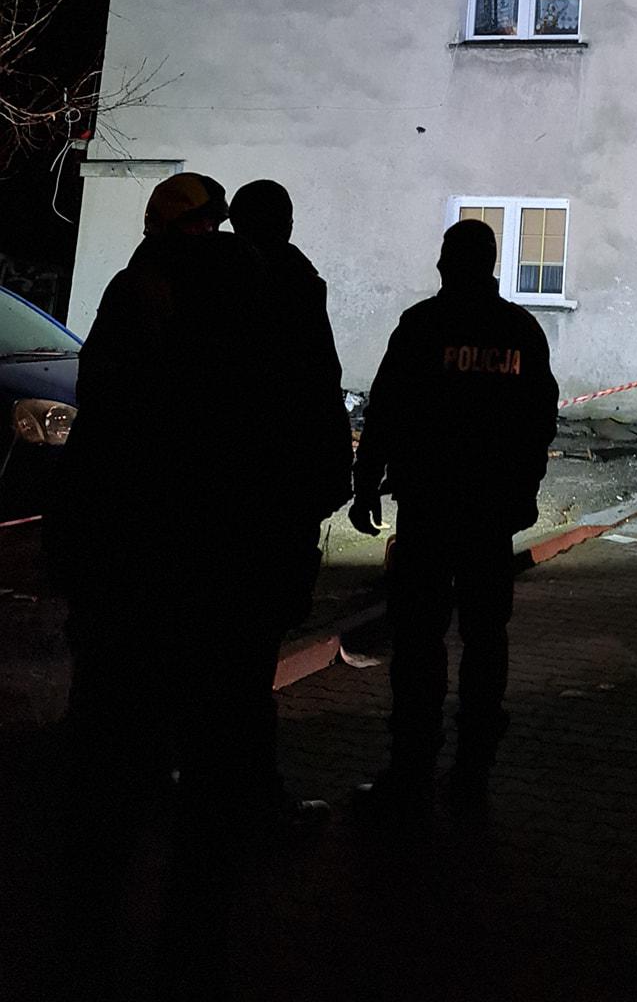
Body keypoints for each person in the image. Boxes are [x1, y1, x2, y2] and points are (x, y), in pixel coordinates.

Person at [52, 170, 290, 996]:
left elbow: (101, 415)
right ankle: (191, 944)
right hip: (213, 565)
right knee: (208, 769)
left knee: (112, 754)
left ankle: (85, 934)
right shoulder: (252, 288)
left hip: (134, 561)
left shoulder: (136, 289)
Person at [349, 217, 558, 810]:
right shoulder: (520, 329)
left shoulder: (423, 325)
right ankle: (472, 771)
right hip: (490, 512)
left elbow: (386, 410)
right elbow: (540, 416)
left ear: (445, 262)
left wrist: (367, 487)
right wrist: (524, 488)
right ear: (491, 264)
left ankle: (412, 767)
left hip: (429, 506)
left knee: (419, 639)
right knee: (486, 638)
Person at [227, 178, 355, 817]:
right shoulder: (295, 286)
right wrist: (336, 475)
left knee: (216, 641)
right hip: (274, 495)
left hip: (218, 493)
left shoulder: (206, 281)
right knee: (254, 648)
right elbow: (318, 383)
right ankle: (248, 790)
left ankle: (197, 771)